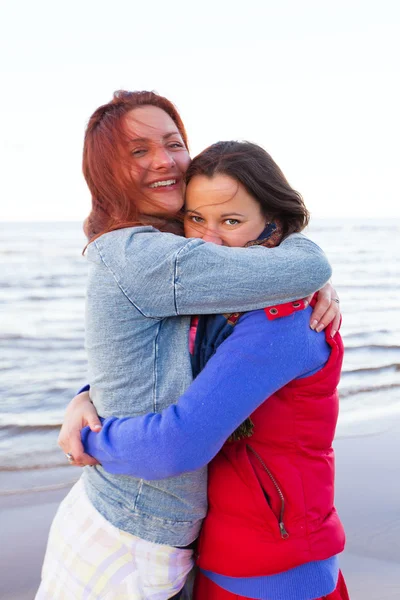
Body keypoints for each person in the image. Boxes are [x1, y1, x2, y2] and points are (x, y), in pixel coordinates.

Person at [38, 90, 339, 600]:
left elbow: (169, 364)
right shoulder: (153, 258)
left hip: (255, 552)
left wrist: (91, 418)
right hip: (145, 526)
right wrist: (87, 402)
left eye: (173, 143)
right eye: (137, 151)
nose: (163, 160)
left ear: (271, 220)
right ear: (106, 170)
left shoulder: (267, 308)